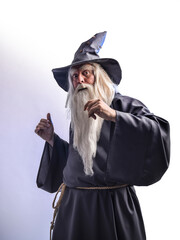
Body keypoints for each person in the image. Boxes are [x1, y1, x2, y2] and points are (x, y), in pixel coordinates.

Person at [35, 31, 170, 240]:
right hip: (74, 208)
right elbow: (76, 161)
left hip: (111, 207)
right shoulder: (80, 114)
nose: (79, 79)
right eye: (74, 76)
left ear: (99, 76)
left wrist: (115, 116)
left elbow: (156, 131)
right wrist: (52, 139)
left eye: (85, 73)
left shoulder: (123, 105)